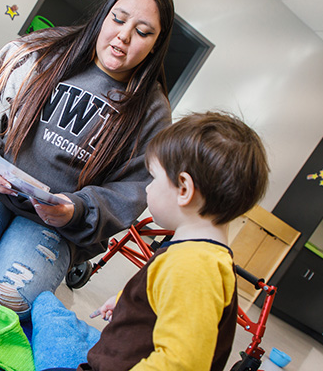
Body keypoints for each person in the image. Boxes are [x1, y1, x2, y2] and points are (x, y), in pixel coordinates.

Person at [0, 0, 175, 320]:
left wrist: (76, 209)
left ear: (156, 44)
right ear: (103, 16)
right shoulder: (42, 51)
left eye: (143, 32)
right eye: (118, 18)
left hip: (56, 225)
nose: (123, 37)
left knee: (12, 298)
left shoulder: (153, 112)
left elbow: (132, 191)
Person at [79, 111, 270, 371]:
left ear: (184, 189)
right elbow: (167, 296)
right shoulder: (199, 256)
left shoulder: (193, 268)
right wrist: (127, 301)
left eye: (153, 178)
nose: (147, 188)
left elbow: (180, 363)